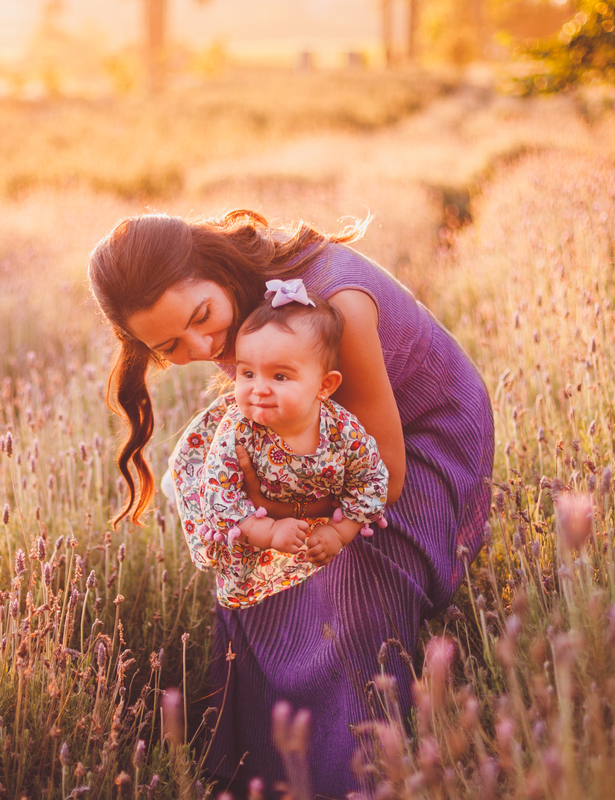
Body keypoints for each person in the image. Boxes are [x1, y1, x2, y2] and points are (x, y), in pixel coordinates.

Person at [87, 209, 493, 798]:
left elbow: (384, 476)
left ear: (215, 264)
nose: (203, 346)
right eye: (170, 346)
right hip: (319, 443)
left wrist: (266, 505)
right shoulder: (234, 303)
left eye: (202, 317)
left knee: (350, 585)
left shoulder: (337, 304)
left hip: (417, 439)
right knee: (251, 568)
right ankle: (263, 765)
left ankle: (350, 774)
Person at [183, 279, 389, 610]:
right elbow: (219, 494)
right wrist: (265, 531)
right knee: (263, 607)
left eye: (279, 377)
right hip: (254, 524)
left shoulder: (343, 431)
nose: (259, 389)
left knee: (342, 596)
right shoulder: (238, 432)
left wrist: (341, 532)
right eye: (247, 374)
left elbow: (372, 481)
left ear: (324, 385)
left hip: (321, 524)